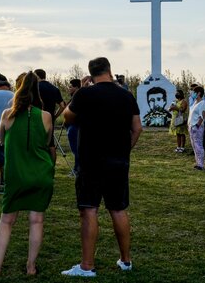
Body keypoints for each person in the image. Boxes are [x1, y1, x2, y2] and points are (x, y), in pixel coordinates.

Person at [61, 57, 142, 277]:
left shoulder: (85, 94)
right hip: (118, 161)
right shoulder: (126, 95)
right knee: (118, 209)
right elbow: (137, 128)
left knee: (89, 210)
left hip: (90, 161)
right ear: (110, 70)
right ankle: (126, 260)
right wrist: (125, 150)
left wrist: (81, 92)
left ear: (90, 74)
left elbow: (67, 117)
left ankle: (87, 266)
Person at [0, 72, 54, 276]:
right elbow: (46, 141)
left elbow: (2, 140)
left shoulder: (7, 115)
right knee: (36, 220)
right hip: (41, 174)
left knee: (7, 220)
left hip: (16, 174)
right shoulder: (46, 116)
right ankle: (31, 267)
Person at [34, 69, 66, 163]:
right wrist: (55, 115)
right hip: (50, 118)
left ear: (36, 76)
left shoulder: (35, 87)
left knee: (37, 142)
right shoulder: (54, 88)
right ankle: (52, 166)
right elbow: (62, 106)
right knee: (51, 143)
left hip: (37, 117)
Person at [188, 86, 205, 170]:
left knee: (198, 145)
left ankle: (201, 164)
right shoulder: (195, 102)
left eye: (193, 92)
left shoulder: (202, 103)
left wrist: (197, 126)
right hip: (191, 127)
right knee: (194, 146)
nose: (192, 93)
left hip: (197, 127)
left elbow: (202, 115)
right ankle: (198, 162)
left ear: (198, 93)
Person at [66, 78, 81, 176]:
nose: (69, 89)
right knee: (76, 149)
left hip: (75, 126)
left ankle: (77, 169)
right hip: (72, 126)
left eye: (71, 87)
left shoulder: (77, 98)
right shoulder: (74, 98)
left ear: (76, 88)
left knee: (76, 150)